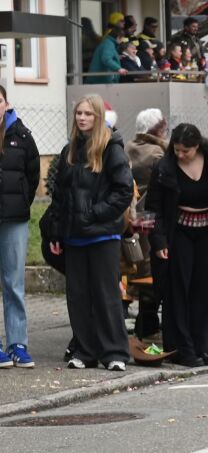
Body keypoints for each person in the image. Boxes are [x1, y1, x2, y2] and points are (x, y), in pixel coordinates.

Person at [49, 95, 133, 371]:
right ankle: (85, 351)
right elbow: (59, 196)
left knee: (106, 294)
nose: (82, 118)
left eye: (88, 114)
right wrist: (57, 233)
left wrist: (94, 214)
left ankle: (115, 353)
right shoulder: (68, 151)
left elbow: (123, 192)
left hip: (102, 235)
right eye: (78, 113)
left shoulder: (111, 148)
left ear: (98, 117)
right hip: (74, 236)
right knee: (78, 296)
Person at [146, 124, 208, 367]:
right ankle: (182, 350)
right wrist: (159, 240)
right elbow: (153, 208)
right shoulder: (164, 167)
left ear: (197, 146)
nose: (180, 155)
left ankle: (205, 349)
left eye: (185, 151)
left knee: (204, 291)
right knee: (178, 291)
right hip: (178, 234)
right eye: (176, 150)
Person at [0, 86, 40, 369]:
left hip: (14, 220)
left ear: (6, 103)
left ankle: (17, 343)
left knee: (14, 283)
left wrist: (22, 201)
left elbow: (33, 172)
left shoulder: (22, 136)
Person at [125, 108, 168, 340]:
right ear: (158, 129)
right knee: (152, 272)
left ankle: (145, 321)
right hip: (151, 218)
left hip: (135, 218)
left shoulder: (129, 148)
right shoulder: (158, 154)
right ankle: (148, 322)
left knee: (140, 271)